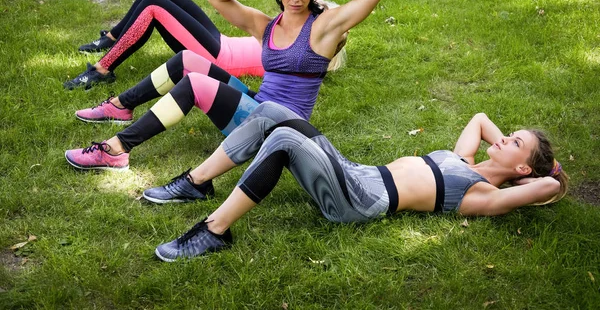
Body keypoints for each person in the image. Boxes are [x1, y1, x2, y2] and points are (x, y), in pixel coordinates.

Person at [64, 0, 385, 174]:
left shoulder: (324, 29)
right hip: (256, 108)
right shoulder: (268, 26)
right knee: (188, 60)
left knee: (195, 84)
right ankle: (120, 105)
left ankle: (116, 150)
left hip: (280, 128)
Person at [137, 102, 569, 262]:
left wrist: (542, 171)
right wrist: (510, 151)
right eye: (509, 134)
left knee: (285, 138)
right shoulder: (463, 160)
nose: (504, 136)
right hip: (356, 174)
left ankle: (214, 231)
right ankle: (196, 182)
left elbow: (548, 188)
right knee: (271, 111)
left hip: (360, 202)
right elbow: (479, 118)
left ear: (523, 171)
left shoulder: (484, 195)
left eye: (514, 142)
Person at [64, 0, 265, 90]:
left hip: (220, 61)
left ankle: (102, 71)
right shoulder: (284, 25)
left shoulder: (295, 52)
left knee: (154, 6)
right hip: (223, 42)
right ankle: (112, 37)